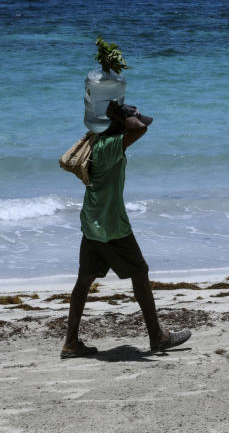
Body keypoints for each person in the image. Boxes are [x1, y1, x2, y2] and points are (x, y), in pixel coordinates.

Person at [61, 101, 191, 358]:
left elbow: (137, 128)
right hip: (111, 225)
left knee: (85, 279)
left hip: (92, 221)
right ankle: (157, 337)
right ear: (120, 124)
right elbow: (140, 129)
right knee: (140, 271)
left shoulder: (97, 142)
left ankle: (71, 343)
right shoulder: (109, 147)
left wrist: (118, 110)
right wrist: (123, 112)